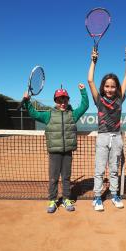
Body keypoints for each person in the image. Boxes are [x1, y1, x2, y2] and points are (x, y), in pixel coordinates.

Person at [23, 83, 89, 213]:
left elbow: (84, 105)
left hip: (68, 152)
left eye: (65, 99)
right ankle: (52, 200)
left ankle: (66, 199)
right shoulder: (48, 115)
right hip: (54, 153)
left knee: (66, 177)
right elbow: (34, 114)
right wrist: (27, 101)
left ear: (68, 100)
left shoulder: (73, 114)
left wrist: (83, 91)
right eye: (59, 99)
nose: (62, 102)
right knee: (53, 178)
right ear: (55, 101)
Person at [88, 46, 126, 211]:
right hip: (102, 137)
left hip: (117, 137)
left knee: (114, 169)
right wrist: (93, 61)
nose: (110, 89)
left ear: (117, 88)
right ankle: (97, 197)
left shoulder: (120, 98)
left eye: (113, 86)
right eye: (107, 86)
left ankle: (114, 195)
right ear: (103, 87)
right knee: (99, 170)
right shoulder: (98, 99)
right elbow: (90, 80)